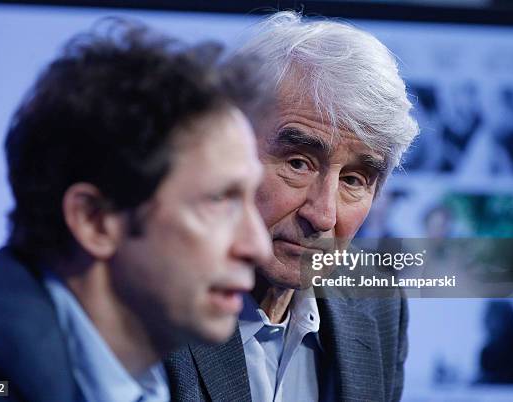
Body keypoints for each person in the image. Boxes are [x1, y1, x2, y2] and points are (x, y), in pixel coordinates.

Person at [0, 20, 272, 402]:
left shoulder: (148, 372)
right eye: (219, 200)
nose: (257, 246)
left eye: (250, 197)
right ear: (94, 221)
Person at [165, 11, 419, 402]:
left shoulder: (379, 304)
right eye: (298, 163)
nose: (323, 216)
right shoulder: (152, 300)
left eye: (354, 180)